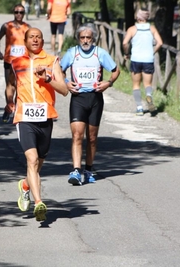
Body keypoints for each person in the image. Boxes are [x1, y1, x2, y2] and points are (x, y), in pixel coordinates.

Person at [5, 28, 68, 221]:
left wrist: (48, 78)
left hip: (45, 117)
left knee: (38, 164)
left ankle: (25, 185)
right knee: (31, 160)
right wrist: (10, 101)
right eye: (31, 37)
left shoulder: (51, 61)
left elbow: (64, 90)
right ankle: (39, 203)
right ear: (25, 41)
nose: (35, 39)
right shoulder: (16, 63)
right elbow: (10, 84)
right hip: (24, 117)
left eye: (38, 37)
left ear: (42, 41)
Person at [60, 24, 120, 185]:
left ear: (93, 38)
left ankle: (88, 169)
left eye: (88, 37)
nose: (85, 41)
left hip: (95, 98)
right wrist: (66, 82)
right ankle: (76, 170)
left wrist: (108, 83)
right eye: (82, 37)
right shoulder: (72, 53)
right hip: (78, 98)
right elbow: (59, 69)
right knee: (77, 135)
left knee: (92, 138)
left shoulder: (100, 53)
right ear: (78, 38)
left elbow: (115, 70)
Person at [122, 8, 163, 116]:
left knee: (136, 84)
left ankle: (139, 108)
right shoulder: (152, 29)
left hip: (136, 59)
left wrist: (127, 53)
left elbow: (125, 43)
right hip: (148, 59)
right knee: (147, 84)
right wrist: (153, 52)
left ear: (137, 17)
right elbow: (160, 43)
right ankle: (149, 96)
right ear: (147, 17)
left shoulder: (132, 29)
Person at [0, 4, 31, 123]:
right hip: (9, 61)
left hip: (23, 63)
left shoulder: (27, 27)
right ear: (13, 13)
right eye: (17, 12)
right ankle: (9, 106)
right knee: (9, 86)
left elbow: (32, 43)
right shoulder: (6, 26)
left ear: (24, 14)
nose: (19, 14)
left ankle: (16, 110)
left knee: (20, 87)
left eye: (21, 12)